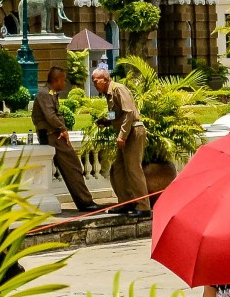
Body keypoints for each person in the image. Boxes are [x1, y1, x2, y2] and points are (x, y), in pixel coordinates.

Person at [30, 63, 98, 212]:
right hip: (52, 136)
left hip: (54, 135)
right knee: (72, 167)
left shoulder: (49, 93)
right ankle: (85, 202)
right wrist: (63, 128)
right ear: (57, 79)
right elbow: (50, 116)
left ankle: (84, 201)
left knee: (73, 167)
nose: (65, 82)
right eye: (63, 80)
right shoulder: (45, 94)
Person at [92, 67, 150, 214]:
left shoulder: (119, 89)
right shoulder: (109, 94)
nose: (93, 83)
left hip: (133, 132)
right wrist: (105, 121)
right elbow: (116, 115)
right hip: (126, 133)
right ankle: (126, 202)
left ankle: (143, 206)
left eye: (96, 80)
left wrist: (122, 135)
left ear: (105, 79)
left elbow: (129, 112)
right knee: (117, 169)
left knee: (133, 169)